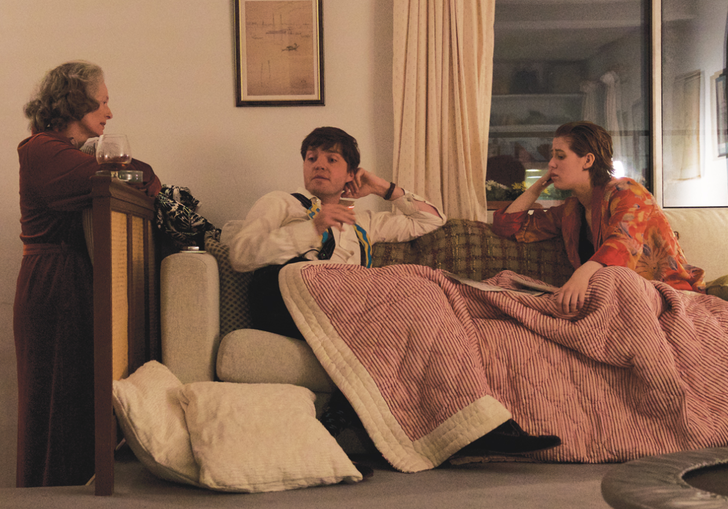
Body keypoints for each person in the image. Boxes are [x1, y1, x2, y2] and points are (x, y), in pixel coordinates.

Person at [221, 126, 560, 458]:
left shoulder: (364, 222)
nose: (319, 165)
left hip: (346, 312)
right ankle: (475, 429)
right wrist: (313, 228)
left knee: (412, 326)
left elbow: (431, 221)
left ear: (351, 174)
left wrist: (384, 188)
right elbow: (241, 254)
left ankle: (472, 428)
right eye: (312, 158)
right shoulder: (282, 203)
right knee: (418, 289)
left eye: (332, 159)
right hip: (285, 300)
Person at [14, 61, 161, 487]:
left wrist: (136, 171)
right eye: (103, 101)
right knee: (54, 393)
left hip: (74, 278)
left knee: (78, 392)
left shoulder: (74, 153)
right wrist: (133, 169)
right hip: (53, 281)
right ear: (76, 101)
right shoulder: (40, 149)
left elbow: (142, 178)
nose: (109, 112)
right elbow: (125, 176)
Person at [491, 121, 705, 315]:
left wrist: (582, 275)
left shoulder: (627, 191)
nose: (551, 163)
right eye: (552, 156)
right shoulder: (571, 210)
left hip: (667, 296)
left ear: (588, 160)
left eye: (560, 156)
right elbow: (508, 226)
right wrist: (538, 187)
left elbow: (624, 243)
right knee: (504, 294)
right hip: (614, 302)